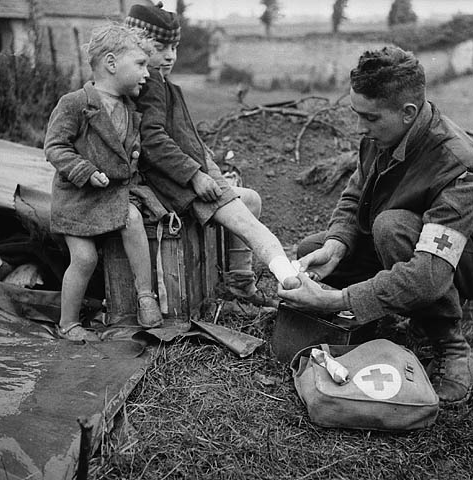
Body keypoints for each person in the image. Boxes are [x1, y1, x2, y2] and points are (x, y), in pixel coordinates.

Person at [279, 46, 473, 405]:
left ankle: (453, 350)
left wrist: (336, 300)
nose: (361, 128)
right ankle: (371, 323)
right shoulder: (380, 137)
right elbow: (354, 197)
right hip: (411, 241)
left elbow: (429, 274)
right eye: (356, 114)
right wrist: (337, 244)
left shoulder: (461, 169)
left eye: (371, 118)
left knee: (391, 228)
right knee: (311, 250)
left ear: (408, 112)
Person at [124, 3, 300, 305]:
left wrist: (209, 167)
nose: (170, 55)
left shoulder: (163, 84)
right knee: (252, 228)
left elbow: (182, 137)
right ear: (136, 46)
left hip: (187, 178)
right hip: (176, 186)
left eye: (175, 47)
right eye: (160, 47)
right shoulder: (150, 83)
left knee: (252, 201)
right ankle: (290, 281)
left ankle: (240, 282)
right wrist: (195, 175)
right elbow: (152, 141)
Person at [45, 24, 167, 341]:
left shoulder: (131, 111)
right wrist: (83, 170)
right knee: (85, 258)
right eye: (140, 64)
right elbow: (55, 147)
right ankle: (68, 322)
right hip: (78, 200)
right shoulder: (75, 103)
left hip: (112, 195)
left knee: (134, 218)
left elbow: (129, 156)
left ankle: (145, 296)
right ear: (112, 64)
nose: (147, 74)